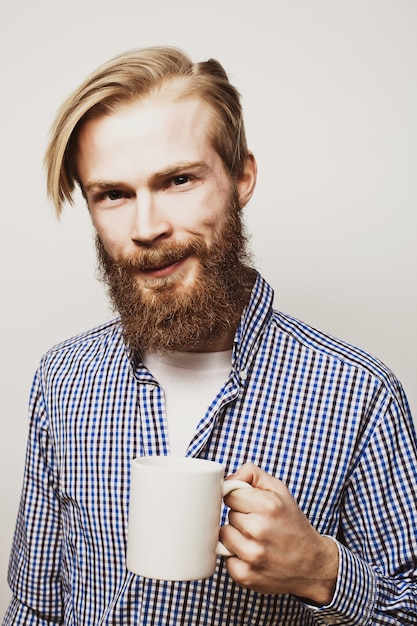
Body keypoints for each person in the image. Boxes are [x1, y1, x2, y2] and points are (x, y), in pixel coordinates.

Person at [4, 46, 417, 626]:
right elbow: (35, 607)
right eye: (113, 194)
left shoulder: (361, 394)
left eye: (178, 180)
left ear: (241, 177)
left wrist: (323, 571)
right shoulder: (62, 379)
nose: (146, 228)